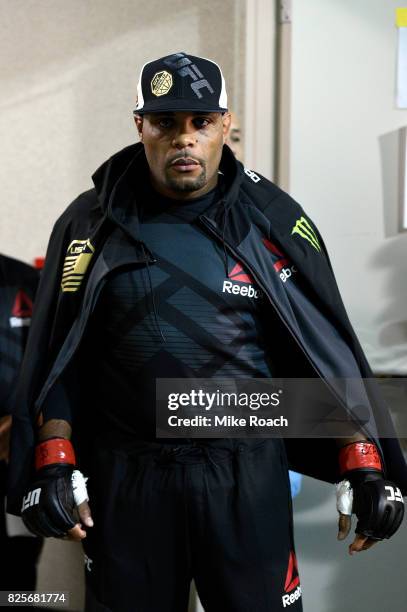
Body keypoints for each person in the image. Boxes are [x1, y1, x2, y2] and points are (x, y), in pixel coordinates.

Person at [7, 52, 406, 612]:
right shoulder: (89, 222)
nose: (183, 140)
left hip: (247, 476)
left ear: (224, 125)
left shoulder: (271, 218)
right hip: (127, 476)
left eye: (200, 122)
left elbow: (318, 350)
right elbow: (62, 356)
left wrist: (363, 463)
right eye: (165, 123)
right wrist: (52, 455)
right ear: (139, 126)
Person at [0, 254, 41, 594]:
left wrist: (21, 419)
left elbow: (57, 358)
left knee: (20, 556)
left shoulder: (25, 280)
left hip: (20, 445)